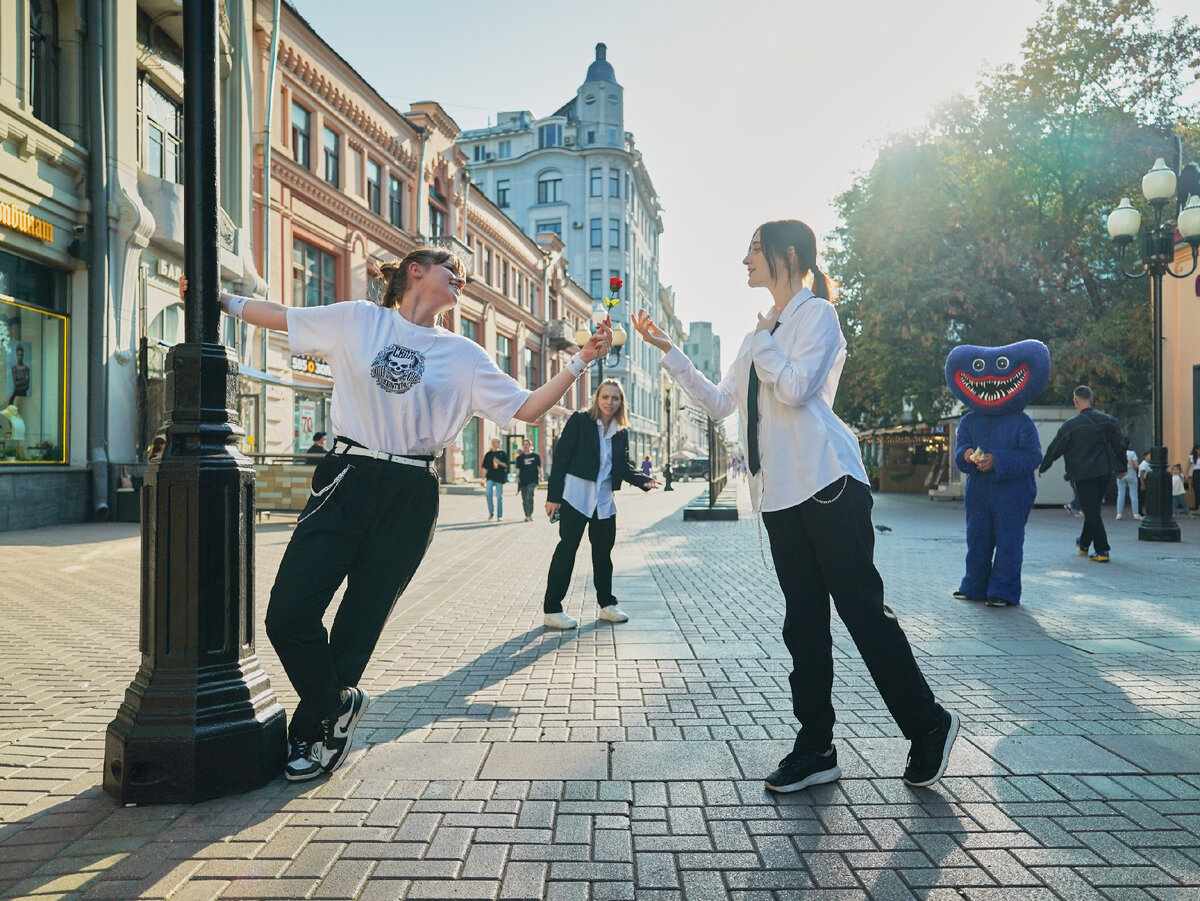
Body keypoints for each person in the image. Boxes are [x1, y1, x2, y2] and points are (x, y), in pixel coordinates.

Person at [179, 249, 612, 783]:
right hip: (345, 476)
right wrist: (220, 300)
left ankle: (316, 735)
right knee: (287, 614)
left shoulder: (464, 353)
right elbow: (284, 317)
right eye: (451, 267)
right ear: (416, 270)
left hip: (412, 491)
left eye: (465, 274)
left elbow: (524, 408)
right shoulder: (358, 320)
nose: (461, 277)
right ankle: (337, 703)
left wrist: (579, 361)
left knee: (358, 624)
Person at [632, 218, 958, 792]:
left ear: (786, 254)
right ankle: (816, 747)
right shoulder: (757, 333)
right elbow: (719, 404)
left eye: (753, 250)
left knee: (861, 612)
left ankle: (928, 724)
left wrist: (764, 342)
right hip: (779, 495)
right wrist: (671, 352)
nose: (744, 261)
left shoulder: (817, 316)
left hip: (828, 481)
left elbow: (797, 388)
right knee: (802, 624)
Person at [543, 379, 658, 629]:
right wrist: (553, 497)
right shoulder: (580, 421)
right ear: (597, 398)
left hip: (604, 501)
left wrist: (643, 481)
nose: (610, 402)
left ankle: (607, 605)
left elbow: (622, 466)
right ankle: (552, 609)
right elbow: (561, 458)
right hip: (576, 496)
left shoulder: (621, 431)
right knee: (567, 550)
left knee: (603, 555)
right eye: (605, 397)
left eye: (615, 398)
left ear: (621, 402)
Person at [944, 339, 1048, 608]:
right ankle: (974, 585)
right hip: (978, 491)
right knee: (977, 538)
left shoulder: (1021, 423)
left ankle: (1004, 590)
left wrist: (998, 461)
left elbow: (1033, 456)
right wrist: (966, 456)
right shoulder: (968, 421)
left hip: (1013, 493)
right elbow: (961, 452)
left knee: (1008, 542)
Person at [1038, 385, 1122, 562]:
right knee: (1093, 509)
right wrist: (1122, 468)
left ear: (1075, 401)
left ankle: (1102, 550)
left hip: (1082, 474)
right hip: (1104, 471)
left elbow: (1056, 448)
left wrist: (1044, 466)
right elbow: (1119, 445)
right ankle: (1084, 543)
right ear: (1092, 399)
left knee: (1091, 511)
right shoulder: (1108, 421)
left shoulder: (1071, 426)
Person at [481, 438, 509, 520]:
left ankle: (499, 516)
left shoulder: (502, 453)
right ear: (493, 443)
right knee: (488, 493)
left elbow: (506, 465)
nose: (498, 444)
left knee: (499, 496)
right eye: (497, 442)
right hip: (490, 477)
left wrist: (499, 462)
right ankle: (491, 512)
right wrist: (483, 478)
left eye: (499, 442)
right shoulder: (488, 454)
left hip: (499, 478)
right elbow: (485, 467)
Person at [514, 438, 542, 522]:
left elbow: (539, 467)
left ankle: (530, 513)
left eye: (527, 444)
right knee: (524, 498)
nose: (526, 446)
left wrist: (541, 475)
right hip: (523, 480)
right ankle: (527, 515)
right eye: (524, 445)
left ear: (530, 446)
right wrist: (517, 477)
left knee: (530, 495)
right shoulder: (520, 458)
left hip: (533, 479)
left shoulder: (535, 456)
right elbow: (518, 468)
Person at [1115, 439, 1141, 521]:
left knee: (1120, 493)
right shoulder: (1132, 453)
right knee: (1133, 494)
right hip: (1131, 473)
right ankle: (1135, 514)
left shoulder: (1118, 453)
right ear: (1129, 445)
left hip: (1120, 473)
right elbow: (1136, 465)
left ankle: (1119, 514)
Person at [1138, 450, 1152, 517]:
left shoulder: (1148, 464)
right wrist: (1142, 484)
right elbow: (1141, 475)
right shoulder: (1144, 464)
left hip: (1147, 480)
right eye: (1149, 456)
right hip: (1143, 480)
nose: (1151, 457)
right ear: (1145, 456)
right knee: (1142, 497)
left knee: (1146, 497)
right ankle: (1140, 511)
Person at [1189, 445, 1200, 511]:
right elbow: (1188, 465)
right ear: (1196, 450)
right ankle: (1197, 505)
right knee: (1196, 489)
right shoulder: (1192, 457)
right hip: (1196, 472)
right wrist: (1186, 474)